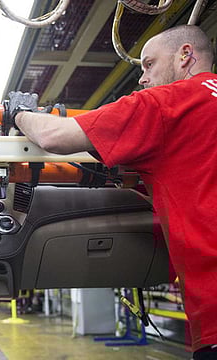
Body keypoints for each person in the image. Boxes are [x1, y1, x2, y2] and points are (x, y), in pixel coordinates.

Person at [14, 24, 217, 359]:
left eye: (149, 64)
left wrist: (19, 114)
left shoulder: (168, 103)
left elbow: (54, 136)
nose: (142, 78)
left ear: (185, 56)